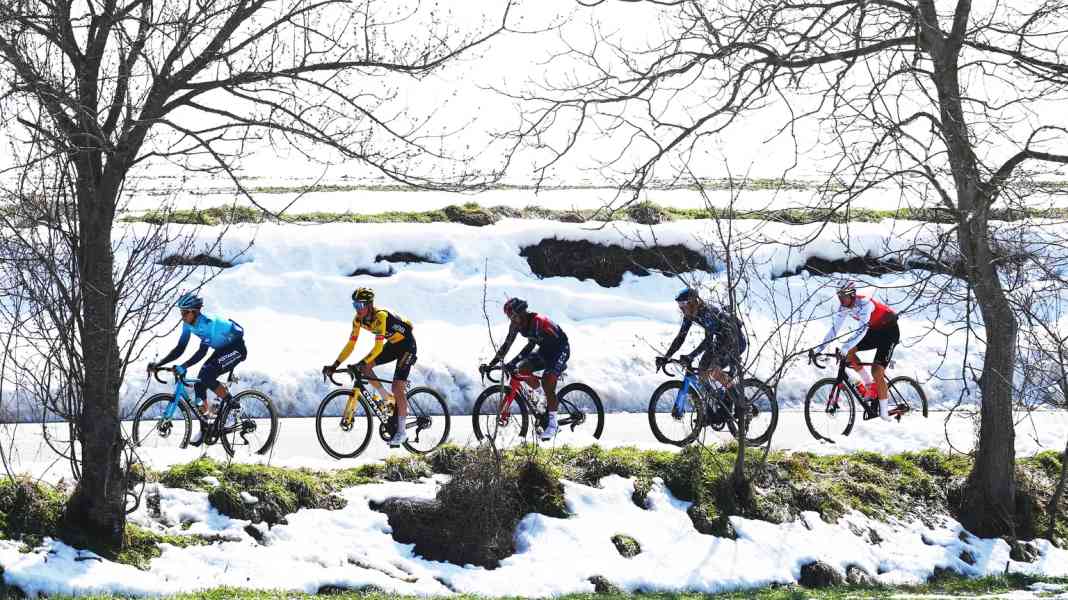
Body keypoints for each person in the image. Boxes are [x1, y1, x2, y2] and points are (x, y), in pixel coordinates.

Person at [148, 292, 247, 446]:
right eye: (181, 312)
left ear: (194, 312)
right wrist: (159, 364)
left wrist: (184, 366)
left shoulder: (208, 323)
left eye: (184, 312)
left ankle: (234, 405)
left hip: (236, 348)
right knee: (199, 383)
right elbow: (180, 348)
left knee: (207, 375)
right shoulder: (187, 325)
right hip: (221, 350)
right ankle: (205, 426)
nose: (182, 316)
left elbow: (202, 352)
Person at [322, 287, 416, 447]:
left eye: (360, 305)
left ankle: (402, 432)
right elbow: (351, 344)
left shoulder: (380, 316)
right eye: (355, 305)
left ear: (370, 305)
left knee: (397, 387)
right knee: (365, 369)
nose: (357, 309)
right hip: (393, 344)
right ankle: (387, 398)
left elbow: (378, 347)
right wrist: (335, 364)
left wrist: (362, 362)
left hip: (407, 346)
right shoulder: (358, 320)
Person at [481, 298, 569, 441]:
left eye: (513, 316)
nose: (512, 319)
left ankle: (553, 425)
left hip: (560, 349)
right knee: (523, 368)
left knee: (547, 382)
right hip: (545, 350)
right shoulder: (516, 325)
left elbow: (529, 347)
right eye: (509, 317)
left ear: (522, 313)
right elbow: (506, 346)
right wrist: (491, 364)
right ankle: (540, 398)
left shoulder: (537, 321)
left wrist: (512, 362)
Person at [810, 281, 900, 421]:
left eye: (843, 297)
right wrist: (819, 349)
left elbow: (862, 330)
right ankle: (870, 386)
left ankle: (884, 413)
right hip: (874, 330)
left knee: (877, 371)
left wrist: (845, 348)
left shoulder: (865, 304)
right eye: (839, 297)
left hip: (889, 332)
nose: (841, 300)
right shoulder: (844, 307)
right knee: (850, 353)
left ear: (852, 295)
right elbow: (834, 330)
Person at [656, 288, 747, 413]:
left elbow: (708, 342)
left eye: (683, 305)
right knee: (701, 370)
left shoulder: (708, 313)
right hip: (721, 341)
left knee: (714, 371)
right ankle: (717, 403)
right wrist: (666, 357)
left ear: (693, 302)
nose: (681, 309)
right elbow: (680, 337)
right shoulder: (690, 314)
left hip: (735, 341)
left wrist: (691, 356)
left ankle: (741, 405)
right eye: (680, 306)